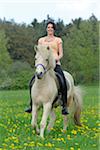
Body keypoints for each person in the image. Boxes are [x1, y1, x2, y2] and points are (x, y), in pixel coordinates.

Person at [25, 21, 69, 115]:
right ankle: (31, 104)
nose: (50, 29)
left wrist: (56, 58)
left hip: (55, 64)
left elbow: (61, 53)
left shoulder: (58, 40)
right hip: (44, 65)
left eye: (51, 27)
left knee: (62, 80)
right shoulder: (41, 40)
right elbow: (39, 52)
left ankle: (64, 105)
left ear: (54, 29)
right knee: (31, 82)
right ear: (46, 29)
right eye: (48, 27)